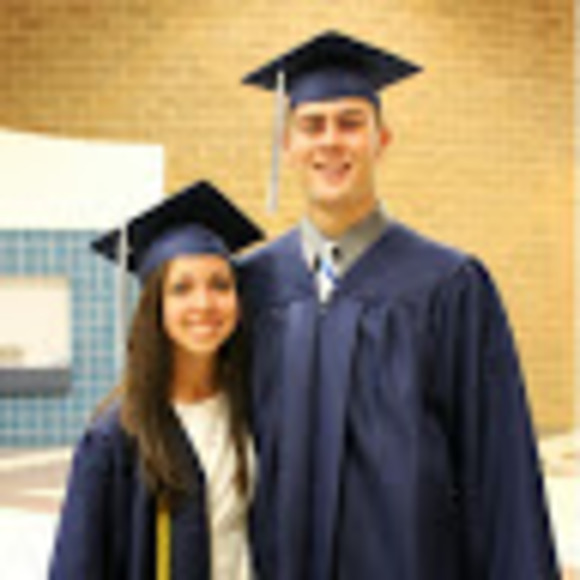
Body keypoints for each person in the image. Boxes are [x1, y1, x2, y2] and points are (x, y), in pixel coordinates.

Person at [240, 31, 560, 579]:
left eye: (350, 123)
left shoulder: (449, 285)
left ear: (381, 139)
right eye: (312, 125)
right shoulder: (252, 285)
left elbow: (499, 468)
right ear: (287, 145)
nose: (330, 141)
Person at [49, 180, 264, 580]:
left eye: (220, 285)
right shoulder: (115, 438)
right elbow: (77, 566)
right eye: (181, 288)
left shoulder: (252, 409)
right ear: (155, 306)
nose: (204, 303)